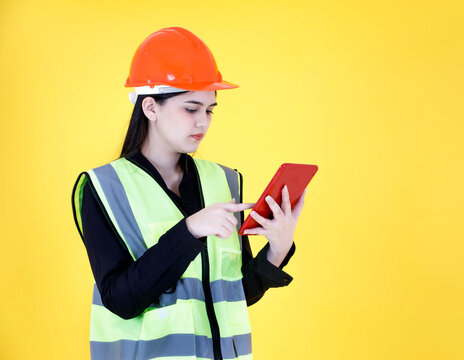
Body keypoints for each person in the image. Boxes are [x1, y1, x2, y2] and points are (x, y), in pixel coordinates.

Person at [71, 27, 305, 360]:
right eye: (191, 109)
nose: (204, 123)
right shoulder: (103, 188)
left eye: (209, 110)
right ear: (150, 108)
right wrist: (189, 231)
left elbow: (235, 296)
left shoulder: (224, 181)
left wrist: (278, 249)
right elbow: (121, 300)